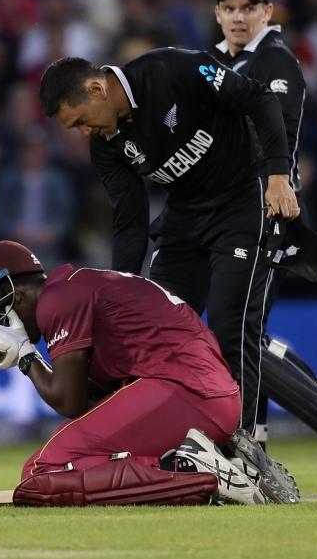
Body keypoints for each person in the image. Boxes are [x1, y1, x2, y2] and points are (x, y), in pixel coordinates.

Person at [37, 49, 298, 450]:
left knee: (228, 325)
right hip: (183, 219)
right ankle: (163, 441)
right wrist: (119, 288)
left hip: (240, 203)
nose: (83, 132)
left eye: (81, 121)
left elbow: (259, 98)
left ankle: (243, 451)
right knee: (154, 328)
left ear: (96, 88)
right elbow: (130, 220)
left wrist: (278, 174)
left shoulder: (173, 69)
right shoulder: (107, 146)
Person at [0, 240, 299, 506]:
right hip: (207, 398)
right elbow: (88, 404)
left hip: (185, 394)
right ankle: (218, 458)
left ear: (11, 297)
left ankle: (193, 470)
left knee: (40, 473)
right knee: (82, 453)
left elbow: (67, 400)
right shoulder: (78, 286)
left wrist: (24, 357)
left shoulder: (58, 301)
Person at [209, 0, 317, 487]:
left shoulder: (276, 61)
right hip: (226, 211)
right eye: (230, 7)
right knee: (240, 332)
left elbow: (275, 131)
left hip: (265, 209)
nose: (239, 16)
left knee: (235, 331)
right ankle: (257, 437)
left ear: (269, 12)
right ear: (218, 14)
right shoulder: (217, 62)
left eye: (248, 7)